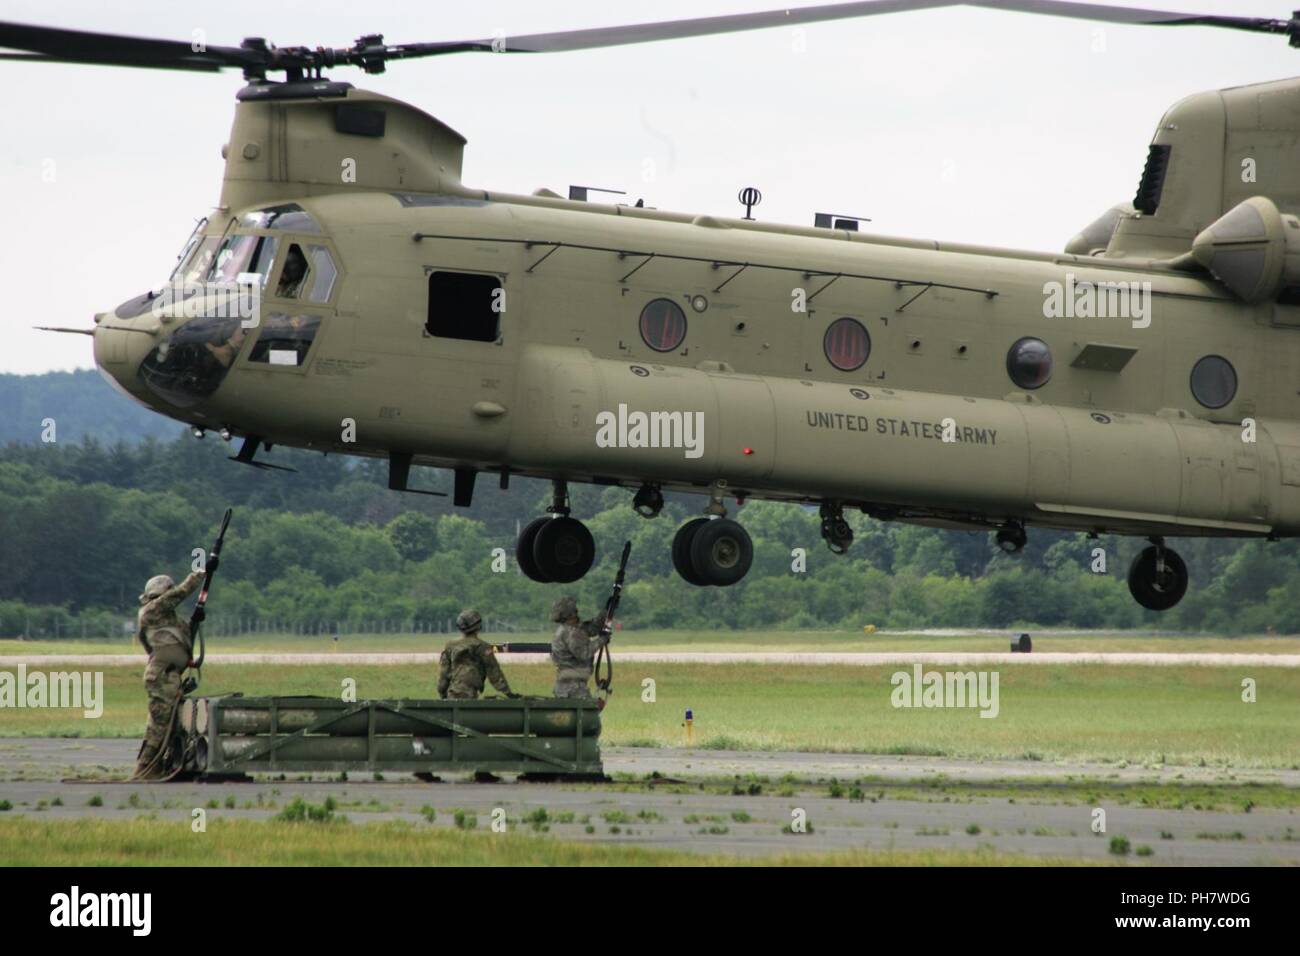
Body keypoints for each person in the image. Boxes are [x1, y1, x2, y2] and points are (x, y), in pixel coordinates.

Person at [133, 568, 205, 779]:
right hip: (162, 676)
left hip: (171, 676)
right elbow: (180, 593)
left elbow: (182, 641)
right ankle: (145, 768)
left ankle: (162, 766)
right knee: (160, 724)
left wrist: (194, 622)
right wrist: (199, 575)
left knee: (172, 725)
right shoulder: (151, 611)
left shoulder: (170, 620)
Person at [437, 609, 517, 700]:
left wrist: (443, 695)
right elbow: (494, 674)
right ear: (478, 626)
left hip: (452, 694)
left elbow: (444, 674)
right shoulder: (483, 647)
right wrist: (508, 693)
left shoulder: (450, 645)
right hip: (471, 694)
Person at [549, 596, 609, 699]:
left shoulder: (569, 629)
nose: (577, 612)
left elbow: (592, 628)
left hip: (567, 686)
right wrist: (602, 640)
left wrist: (606, 610)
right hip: (573, 688)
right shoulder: (571, 633)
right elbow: (584, 653)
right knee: (586, 714)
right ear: (570, 614)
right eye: (575, 610)